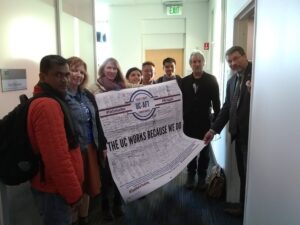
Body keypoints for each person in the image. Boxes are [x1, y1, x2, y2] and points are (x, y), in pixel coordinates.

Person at [28, 55, 83, 225]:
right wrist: (73, 194)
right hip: (54, 190)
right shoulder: (47, 106)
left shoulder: (54, 99)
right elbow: (57, 159)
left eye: (66, 75)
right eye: (58, 75)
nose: (64, 80)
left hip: (54, 188)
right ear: (43, 77)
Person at [203, 46, 252, 217]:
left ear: (245, 56)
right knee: (243, 173)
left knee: (250, 175)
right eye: (230, 61)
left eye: (236, 58)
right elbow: (227, 108)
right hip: (238, 136)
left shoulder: (258, 74)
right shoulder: (232, 81)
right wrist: (213, 129)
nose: (233, 63)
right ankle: (244, 208)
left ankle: (249, 211)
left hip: (254, 138)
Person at [65, 57, 107, 225]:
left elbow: (97, 120)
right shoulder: (60, 96)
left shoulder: (86, 94)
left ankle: (83, 219)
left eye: (82, 72)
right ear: (66, 72)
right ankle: (72, 220)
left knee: (88, 187)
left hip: (90, 147)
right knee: (73, 189)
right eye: (74, 70)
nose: (79, 75)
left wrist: (102, 146)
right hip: (73, 150)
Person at [88, 57, 125, 221]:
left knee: (121, 172)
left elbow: (139, 88)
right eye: (109, 68)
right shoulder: (92, 89)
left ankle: (118, 204)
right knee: (106, 174)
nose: (112, 71)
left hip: (122, 134)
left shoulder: (122, 86)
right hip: (103, 136)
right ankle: (105, 207)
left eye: (115, 69)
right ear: (103, 69)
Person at [181, 51, 220, 191]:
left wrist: (215, 126)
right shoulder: (184, 81)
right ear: (190, 64)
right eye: (194, 62)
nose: (197, 64)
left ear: (204, 63)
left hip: (205, 123)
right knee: (190, 151)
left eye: (199, 61)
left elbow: (217, 104)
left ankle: (202, 178)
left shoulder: (211, 79)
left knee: (204, 152)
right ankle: (190, 176)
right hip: (188, 123)